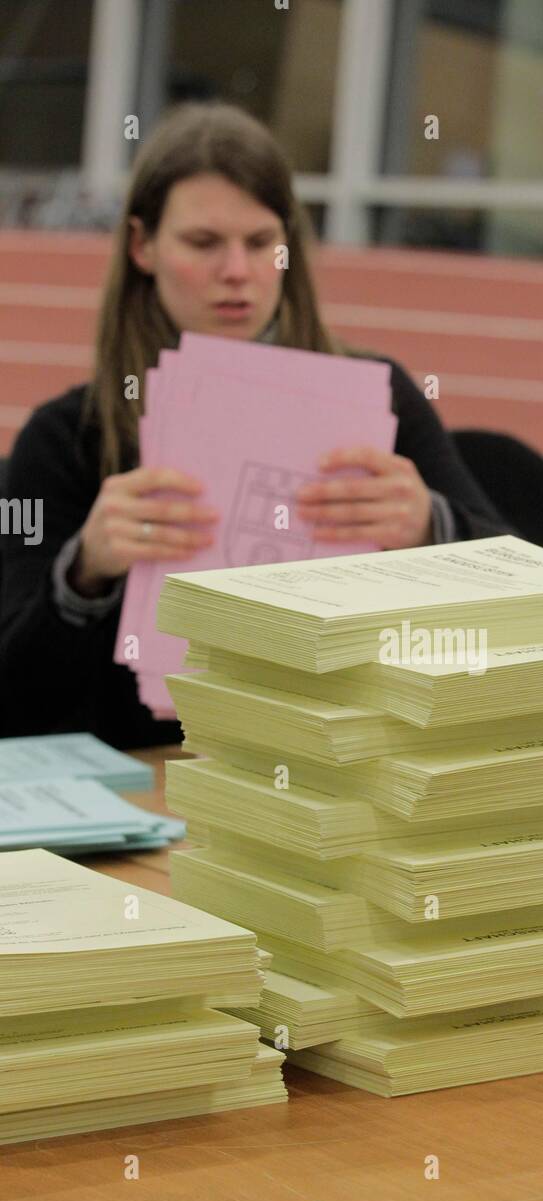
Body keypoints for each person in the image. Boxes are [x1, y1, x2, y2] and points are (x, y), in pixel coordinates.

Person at [0, 103, 506, 749]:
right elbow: (16, 701)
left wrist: (434, 528)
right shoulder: (67, 434)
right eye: (204, 243)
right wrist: (85, 575)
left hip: (339, 762)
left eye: (261, 242)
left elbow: (531, 593)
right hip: (146, 779)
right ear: (142, 246)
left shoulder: (377, 396)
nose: (236, 271)